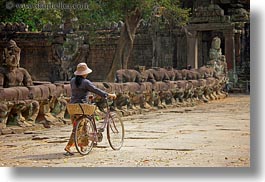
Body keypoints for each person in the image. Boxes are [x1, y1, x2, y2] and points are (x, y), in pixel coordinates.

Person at [64, 62, 116, 156]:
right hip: (82, 107)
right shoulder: (86, 82)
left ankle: (82, 146)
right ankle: (68, 146)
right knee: (78, 128)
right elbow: (96, 90)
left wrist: (88, 96)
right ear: (84, 73)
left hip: (73, 106)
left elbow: (78, 93)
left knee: (81, 127)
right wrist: (108, 95)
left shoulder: (72, 81)